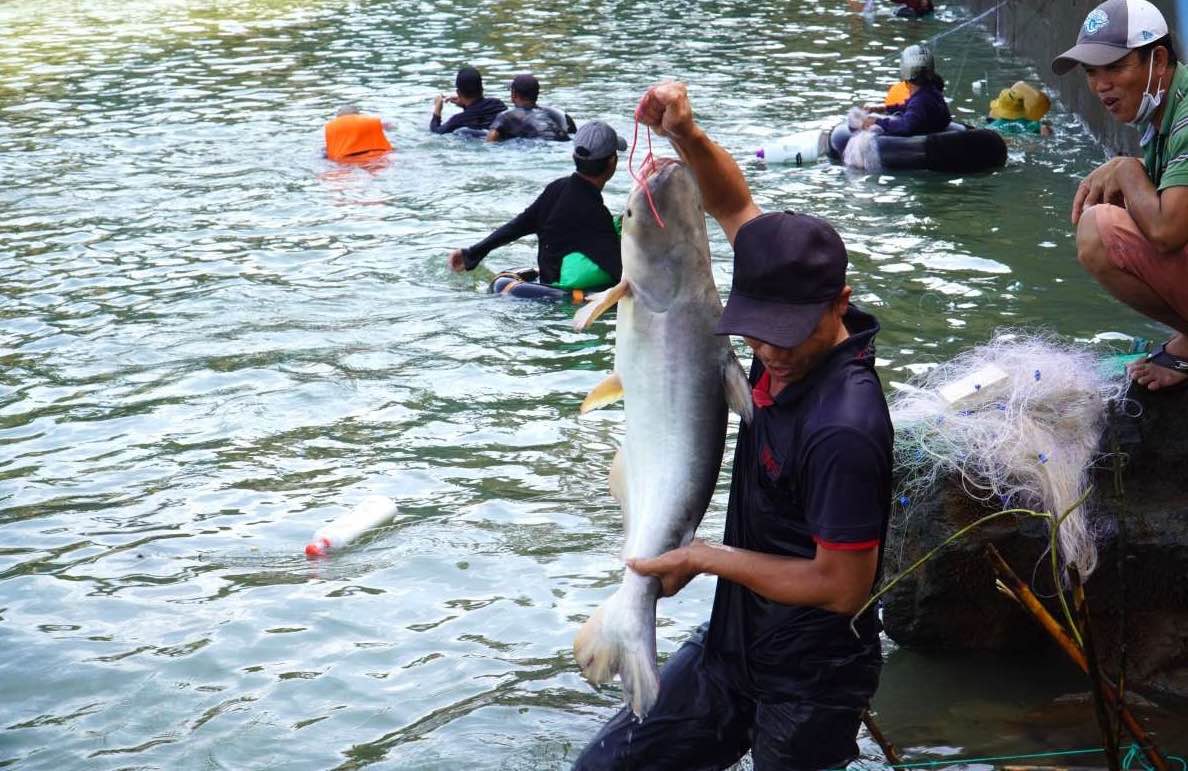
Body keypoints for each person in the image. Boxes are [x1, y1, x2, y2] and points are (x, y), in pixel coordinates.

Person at [573, 82, 893, 770]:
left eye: (786, 333)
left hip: (809, 679)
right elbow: (733, 204)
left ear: (838, 302)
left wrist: (702, 556)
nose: (769, 351)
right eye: (756, 329)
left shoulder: (846, 427)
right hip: (733, 647)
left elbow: (841, 585)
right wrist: (684, 133)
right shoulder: (783, 298)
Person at [1053, 0, 1188, 390]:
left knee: (1098, 227)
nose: (1100, 85)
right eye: (1092, 72)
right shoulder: (1163, 113)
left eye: (1115, 67)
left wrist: (1128, 170)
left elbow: (1168, 231)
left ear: (1158, 60)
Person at [447, 120, 626, 289]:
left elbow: (517, 226)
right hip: (562, 304)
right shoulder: (596, 214)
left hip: (543, 286)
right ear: (612, 162)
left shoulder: (556, 189)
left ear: (574, 156)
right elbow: (619, 271)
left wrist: (471, 254)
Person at [862, 44, 952, 135]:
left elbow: (906, 126)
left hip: (922, 145)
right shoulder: (932, 92)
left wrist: (877, 122)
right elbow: (909, 108)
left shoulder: (920, 101)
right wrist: (884, 108)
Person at [486, 74, 576, 142]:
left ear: (514, 94)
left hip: (537, 145)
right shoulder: (557, 113)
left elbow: (490, 142)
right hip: (563, 141)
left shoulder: (506, 116)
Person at [430, 65, 507, 135]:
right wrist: (464, 105)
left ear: (458, 93)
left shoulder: (458, 120)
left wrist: (438, 108)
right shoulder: (498, 104)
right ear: (482, 88)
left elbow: (436, 131)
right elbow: (479, 114)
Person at [323, 105, 392, 162]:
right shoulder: (370, 120)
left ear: (338, 117)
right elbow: (391, 126)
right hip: (379, 156)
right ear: (358, 114)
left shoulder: (331, 126)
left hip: (346, 160)